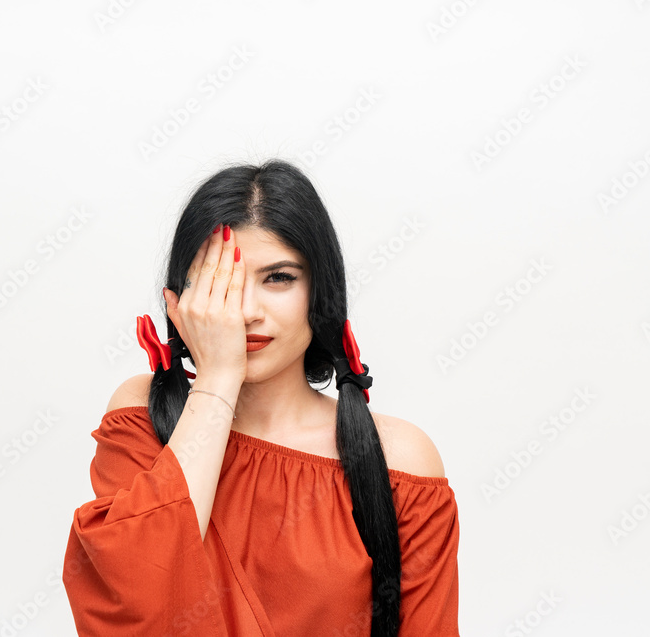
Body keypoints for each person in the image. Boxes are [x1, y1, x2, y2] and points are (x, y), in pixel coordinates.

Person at [62, 159, 460, 636]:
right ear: (181, 297)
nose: (247, 311)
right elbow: (134, 608)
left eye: (278, 278)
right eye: (219, 282)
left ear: (321, 293)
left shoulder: (401, 460)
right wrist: (219, 377)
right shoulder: (141, 416)